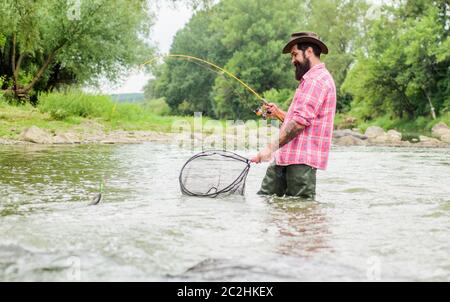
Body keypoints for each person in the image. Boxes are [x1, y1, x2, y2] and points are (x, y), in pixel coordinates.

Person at [251, 31, 336, 199]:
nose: (292, 60)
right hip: (285, 156)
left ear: (309, 52)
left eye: (295, 54)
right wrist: (278, 113)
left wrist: (269, 148)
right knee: (265, 200)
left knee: (300, 213)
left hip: (301, 162)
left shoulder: (316, 80)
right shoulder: (309, 80)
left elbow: (299, 123)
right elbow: (302, 118)